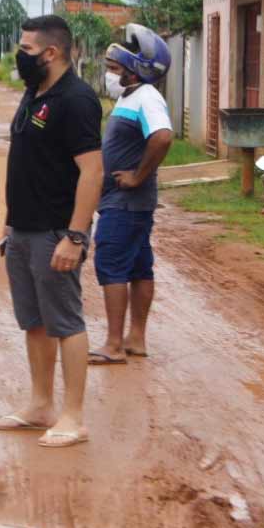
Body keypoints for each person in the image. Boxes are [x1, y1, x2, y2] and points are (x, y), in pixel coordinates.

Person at [0, 15, 105, 448]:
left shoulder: (76, 99)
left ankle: (73, 416)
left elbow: (92, 173)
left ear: (51, 53)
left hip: (56, 230)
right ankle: (41, 405)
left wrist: (75, 236)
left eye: (26, 49)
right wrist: (10, 221)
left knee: (66, 322)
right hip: (23, 228)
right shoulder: (34, 92)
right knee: (34, 321)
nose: (20, 56)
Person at [88, 24, 173, 366]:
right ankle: (135, 338)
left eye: (115, 70)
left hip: (126, 202)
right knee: (139, 266)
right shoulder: (130, 97)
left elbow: (163, 137)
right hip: (124, 201)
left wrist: (138, 176)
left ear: (137, 70)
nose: (110, 75)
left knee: (111, 264)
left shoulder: (148, 98)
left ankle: (113, 344)